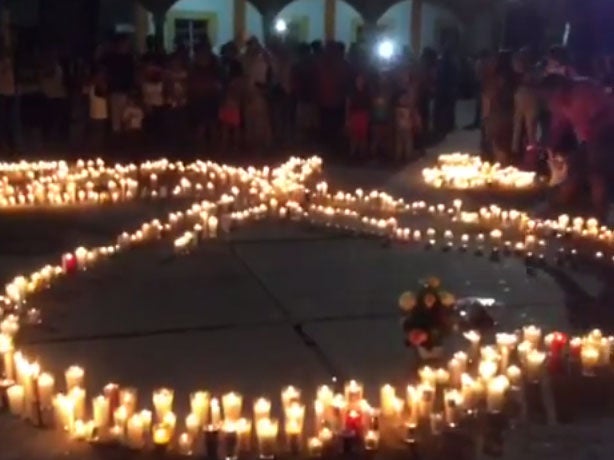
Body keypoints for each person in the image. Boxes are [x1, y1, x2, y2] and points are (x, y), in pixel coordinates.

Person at [540, 74, 614, 219]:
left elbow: (602, 116)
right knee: (573, 169)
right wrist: (548, 146)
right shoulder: (559, 102)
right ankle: (557, 206)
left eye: (551, 95)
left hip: (607, 136)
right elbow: (558, 125)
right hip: (589, 141)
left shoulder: (584, 90)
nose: (550, 100)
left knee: (597, 174)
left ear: (559, 87)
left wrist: (589, 145)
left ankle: (601, 214)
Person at [102, 35, 135, 135]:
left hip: (125, 90)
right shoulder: (112, 57)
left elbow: (131, 74)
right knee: (115, 117)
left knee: (126, 116)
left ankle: (122, 137)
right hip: (115, 89)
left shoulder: (129, 58)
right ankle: (116, 138)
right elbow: (106, 72)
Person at [345, 73, 370, 158]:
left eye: (361, 80)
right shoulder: (352, 91)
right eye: (358, 80)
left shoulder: (366, 91)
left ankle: (362, 154)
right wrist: (347, 117)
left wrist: (368, 116)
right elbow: (348, 104)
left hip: (363, 114)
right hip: (354, 114)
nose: (360, 81)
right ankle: (352, 154)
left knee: (363, 136)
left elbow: (369, 104)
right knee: (354, 136)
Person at [0, 47, 16, 154]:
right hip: (3, 93)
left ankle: (9, 146)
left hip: (9, 93)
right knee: (3, 121)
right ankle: (5, 146)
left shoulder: (8, 63)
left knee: (8, 121)